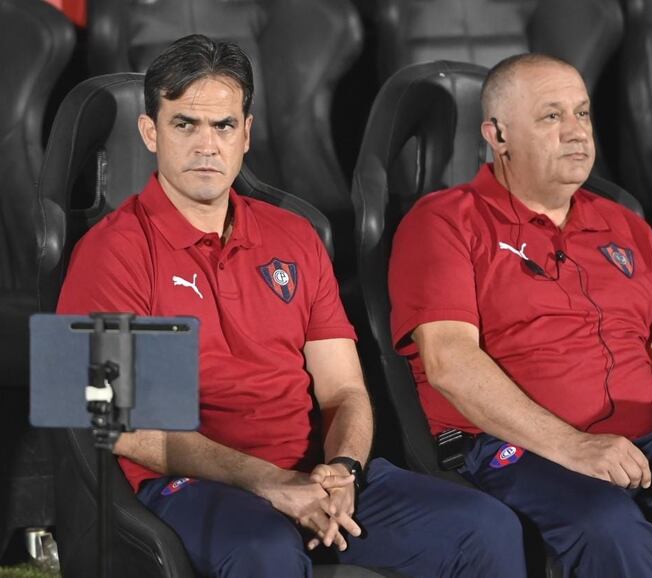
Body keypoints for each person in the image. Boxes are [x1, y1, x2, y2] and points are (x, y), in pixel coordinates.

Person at [56, 35, 527, 578]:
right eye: (185, 124)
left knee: (485, 527)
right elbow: (116, 422)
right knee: (266, 554)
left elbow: (345, 389)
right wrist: (265, 480)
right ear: (150, 133)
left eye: (224, 125)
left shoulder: (295, 235)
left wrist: (343, 469)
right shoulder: (111, 250)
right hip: (198, 485)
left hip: (315, 474)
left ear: (247, 134)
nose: (206, 145)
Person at [388, 53, 652, 577]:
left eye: (583, 114)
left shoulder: (626, 225)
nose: (577, 133)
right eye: (552, 117)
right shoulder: (444, 222)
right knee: (607, 527)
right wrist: (575, 448)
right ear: (498, 136)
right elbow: (450, 363)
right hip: (519, 449)